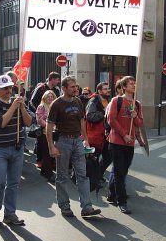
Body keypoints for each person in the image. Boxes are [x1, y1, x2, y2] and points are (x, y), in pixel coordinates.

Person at [46, 76, 101, 218]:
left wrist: (86, 140)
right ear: (64, 88)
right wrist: (51, 146)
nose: (76, 89)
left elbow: (82, 122)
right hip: (63, 142)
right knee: (62, 176)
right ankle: (64, 206)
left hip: (77, 141)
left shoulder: (77, 101)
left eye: (76, 86)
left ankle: (87, 207)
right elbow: (49, 126)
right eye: (72, 87)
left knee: (82, 174)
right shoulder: (56, 104)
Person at [0, 74, 32, 226]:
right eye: (5, 88)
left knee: (13, 183)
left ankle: (10, 214)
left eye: (10, 87)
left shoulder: (17, 102)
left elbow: (28, 122)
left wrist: (22, 107)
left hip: (17, 148)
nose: (9, 91)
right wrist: (13, 107)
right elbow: (0, 124)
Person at [107, 75, 143, 214]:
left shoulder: (137, 104)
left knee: (123, 170)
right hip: (116, 141)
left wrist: (135, 117)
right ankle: (122, 201)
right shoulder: (117, 101)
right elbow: (111, 120)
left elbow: (140, 124)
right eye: (131, 83)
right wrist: (124, 134)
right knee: (119, 171)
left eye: (134, 83)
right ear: (123, 87)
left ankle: (112, 192)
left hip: (130, 143)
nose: (134, 85)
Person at [86, 82, 112, 182]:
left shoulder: (109, 100)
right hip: (95, 136)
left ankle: (99, 174)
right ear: (99, 91)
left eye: (108, 88)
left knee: (108, 157)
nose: (108, 90)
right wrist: (104, 112)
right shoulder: (93, 101)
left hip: (106, 135)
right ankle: (93, 179)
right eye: (105, 89)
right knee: (93, 158)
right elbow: (90, 116)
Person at [36, 90, 57, 182]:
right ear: (44, 97)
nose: (50, 98)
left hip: (55, 132)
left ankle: (45, 171)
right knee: (46, 153)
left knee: (53, 153)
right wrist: (49, 127)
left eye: (52, 96)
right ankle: (49, 174)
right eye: (48, 96)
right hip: (44, 132)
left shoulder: (56, 106)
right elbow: (39, 119)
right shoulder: (41, 107)